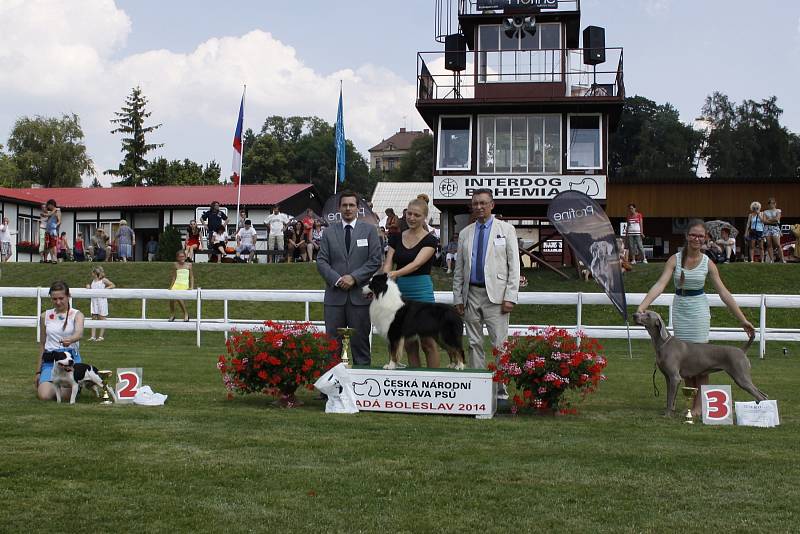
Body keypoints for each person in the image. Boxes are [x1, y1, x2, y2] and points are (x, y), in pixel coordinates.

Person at [637, 219, 756, 415]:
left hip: (699, 312)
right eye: (693, 235)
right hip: (680, 311)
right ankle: (691, 404)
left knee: (703, 362)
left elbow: (724, 293)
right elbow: (660, 285)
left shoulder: (708, 263)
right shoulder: (674, 259)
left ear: (705, 238)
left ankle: (699, 407)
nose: (697, 239)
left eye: (701, 236)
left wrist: (742, 319)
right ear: (686, 236)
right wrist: (643, 306)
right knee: (684, 361)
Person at [453, 188, 520, 399]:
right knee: (473, 343)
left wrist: (510, 296)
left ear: (492, 205)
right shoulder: (465, 233)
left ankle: (500, 388)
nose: (479, 207)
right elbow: (459, 269)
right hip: (470, 293)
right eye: (475, 204)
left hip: (497, 297)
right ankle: (477, 384)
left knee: (499, 344)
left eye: (483, 203)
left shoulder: (506, 230)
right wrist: (458, 298)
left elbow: (514, 266)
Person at [317, 190, 382, 366]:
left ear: (358, 208)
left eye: (351, 205)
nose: (347, 208)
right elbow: (321, 260)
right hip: (334, 298)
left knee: (360, 344)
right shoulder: (329, 232)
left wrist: (354, 278)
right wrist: (338, 280)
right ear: (339, 208)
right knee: (332, 346)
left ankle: (361, 389)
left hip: (359, 298)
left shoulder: (369, 231)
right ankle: (330, 391)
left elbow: (376, 260)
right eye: (344, 205)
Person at [383, 198, 440, 368]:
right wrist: (385, 276)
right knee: (408, 343)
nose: (412, 218)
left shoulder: (430, 240)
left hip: (422, 292)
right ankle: (416, 385)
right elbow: (388, 261)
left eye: (417, 215)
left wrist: (394, 273)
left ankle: (434, 384)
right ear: (405, 213)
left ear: (425, 218)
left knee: (428, 342)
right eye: (409, 213)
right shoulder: (395, 237)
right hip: (400, 292)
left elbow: (416, 264)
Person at [35, 281, 85, 401]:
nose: (58, 302)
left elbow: (79, 333)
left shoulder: (77, 315)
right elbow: (42, 344)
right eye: (54, 299)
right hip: (50, 361)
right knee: (44, 396)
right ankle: (54, 384)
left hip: (70, 361)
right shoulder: (44, 316)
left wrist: (71, 339)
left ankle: (74, 385)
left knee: (65, 397)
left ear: (68, 296)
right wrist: (37, 372)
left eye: (61, 298)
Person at [87, 266, 115, 341]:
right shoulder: (93, 281)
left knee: (102, 317)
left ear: (95, 273)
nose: (91, 274)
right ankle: (93, 336)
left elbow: (112, 285)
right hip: (94, 301)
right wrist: (89, 287)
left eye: (92, 272)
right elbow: (92, 289)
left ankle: (101, 336)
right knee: (94, 317)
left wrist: (105, 289)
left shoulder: (103, 280)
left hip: (101, 300)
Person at [169, 250, 194, 321]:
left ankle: (186, 314)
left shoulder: (189, 265)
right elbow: (174, 277)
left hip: (184, 284)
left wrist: (191, 286)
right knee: (171, 298)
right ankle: (172, 314)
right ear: (177, 258)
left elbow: (191, 276)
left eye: (183, 256)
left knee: (178, 297)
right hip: (176, 284)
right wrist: (171, 286)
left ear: (185, 257)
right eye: (180, 257)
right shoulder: (175, 265)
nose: (181, 258)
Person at [761, 197, 786, 264]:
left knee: (777, 244)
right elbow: (764, 221)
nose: (770, 204)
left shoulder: (778, 210)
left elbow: (777, 219)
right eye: (769, 203)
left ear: (775, 203)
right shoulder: (765, 212)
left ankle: (782, 259)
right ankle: (772, 260)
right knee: (769, 244)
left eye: (771, 203)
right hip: (767, 228)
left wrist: (768, 220)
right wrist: (772, 220)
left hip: (775, 228)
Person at [44, 199, 61, 264]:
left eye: (48, 206)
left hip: (53, 231)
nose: (48, 207)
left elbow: (59, 221)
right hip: (48, 231)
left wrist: (55, 226)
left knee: (54, 245)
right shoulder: (51, 212)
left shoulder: (57, 211)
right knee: (50, 245)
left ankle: (55, 259)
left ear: (51, 205)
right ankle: (52, 258)